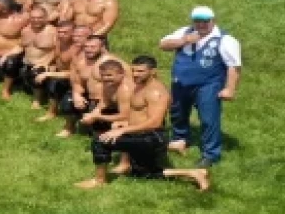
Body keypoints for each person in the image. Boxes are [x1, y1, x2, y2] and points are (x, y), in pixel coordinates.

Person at [76, 56, 212, 191]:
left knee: (100, 141)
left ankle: (99, 180)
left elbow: (155, 122)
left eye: (140, 71)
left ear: (153, 71)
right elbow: (137, 113)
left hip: (151, 137)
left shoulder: (156, 92)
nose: (135, 74)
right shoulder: (139, 86)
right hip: (140, 134)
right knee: (142, 173)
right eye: (133, 70)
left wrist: (123, 130)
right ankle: (195, 173)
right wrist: (123, 123)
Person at [159, 6, 241, 168]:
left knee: (209, 119)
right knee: (178, 112)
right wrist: (184, 41)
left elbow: (234, 66)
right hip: (181, 83)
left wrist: (230, 89)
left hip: (208, 84)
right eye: (197, 21)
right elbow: (163, 44)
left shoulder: (225, 40)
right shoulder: (184, 32)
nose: (201, 25)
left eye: (205, 21)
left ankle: (211, 154)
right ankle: (180, 139)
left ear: (213, 21)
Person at [0, 0, 27, 100]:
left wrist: (8, 54)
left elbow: (25, 41)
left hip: (12, 55)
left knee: (10, 63)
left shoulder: (20, 20)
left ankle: (6, 90)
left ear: (6, 9)